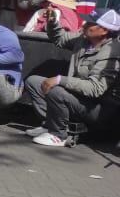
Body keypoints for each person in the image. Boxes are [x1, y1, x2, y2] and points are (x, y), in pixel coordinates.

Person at [23, 9, 120, 146]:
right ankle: (50, 125)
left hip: (98, 109)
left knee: (56, 90)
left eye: (90, 23)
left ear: (104, 30)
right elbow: (59, 39)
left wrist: (60, 80)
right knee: (33, 82)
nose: (85, 24)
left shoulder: (112, 53)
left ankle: (59, 135)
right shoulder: (84, 39)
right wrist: (52, 22)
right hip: (79, 98)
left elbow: (95, 89)